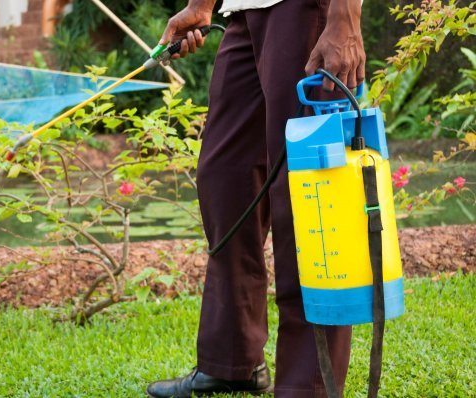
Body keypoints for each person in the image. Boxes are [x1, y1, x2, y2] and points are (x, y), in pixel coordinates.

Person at [146, 0, 365, 397]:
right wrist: (200, 6)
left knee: (305, 201)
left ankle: (307, 387)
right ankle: (232, 361)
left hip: (306, 10)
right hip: (245, 11)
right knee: (225, 181)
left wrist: (344, 18)